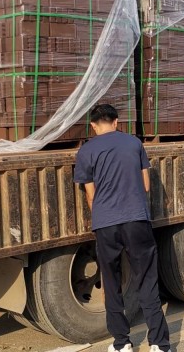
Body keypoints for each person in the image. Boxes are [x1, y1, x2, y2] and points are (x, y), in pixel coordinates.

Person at [74, 104, 170, 352]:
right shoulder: (134, 144)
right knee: (147, 280)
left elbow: (90, 195)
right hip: (136, 219)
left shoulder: (86, 151)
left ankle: (121, 344)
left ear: (94, 125)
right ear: (116, 122)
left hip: (105, 223)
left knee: (112, 281)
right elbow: (146, 185)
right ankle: (159, 344)